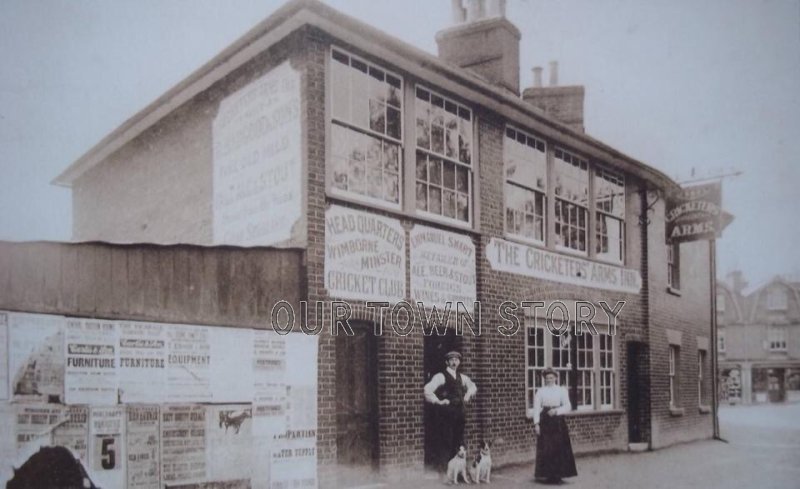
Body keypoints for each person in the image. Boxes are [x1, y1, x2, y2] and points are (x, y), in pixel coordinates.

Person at [424, 350, 477, 469]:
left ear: (459, 362)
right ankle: (443, 471)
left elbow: (473, 386)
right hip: (446, 415)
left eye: (456, 360)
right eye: (452, 360)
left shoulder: (462, 377)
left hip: (460, 414)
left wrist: (468, 395)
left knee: (458, 442)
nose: (454, 362)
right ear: (447, 362)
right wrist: (438, 401)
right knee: (446, 441)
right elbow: (427, 390)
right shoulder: (440, 376)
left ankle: (457, 471)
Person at [533, 367, 577, 484]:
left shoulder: (561, 390)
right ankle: (548, 475)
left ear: (556, 378)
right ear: (544, 379)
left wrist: (557, 411)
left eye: (551, 377)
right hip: (545, 421)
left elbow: (568, 406)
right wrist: (536, 424)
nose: (549, 380)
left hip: (558, 422)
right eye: (547, 378)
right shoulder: (540, 391)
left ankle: (558, 475)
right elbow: (537, 408)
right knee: (546, 447)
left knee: (559, 447)